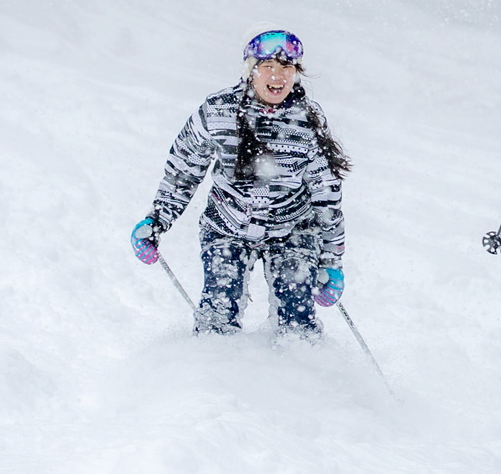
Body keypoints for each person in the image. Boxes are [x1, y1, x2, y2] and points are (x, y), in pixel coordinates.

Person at [130, 29, 350, 338]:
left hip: (292, 231)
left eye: (286, 68)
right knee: (218, 313)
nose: (277, 76)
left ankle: (299, 373)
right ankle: (212, 371)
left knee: (297, 319)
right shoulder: (218, 111)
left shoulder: (307, 121)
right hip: (227, 226)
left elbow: (327, 194)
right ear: (251, 70)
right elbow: (184, 168)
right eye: (268, 67)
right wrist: (157, 220)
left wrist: (331, 260)